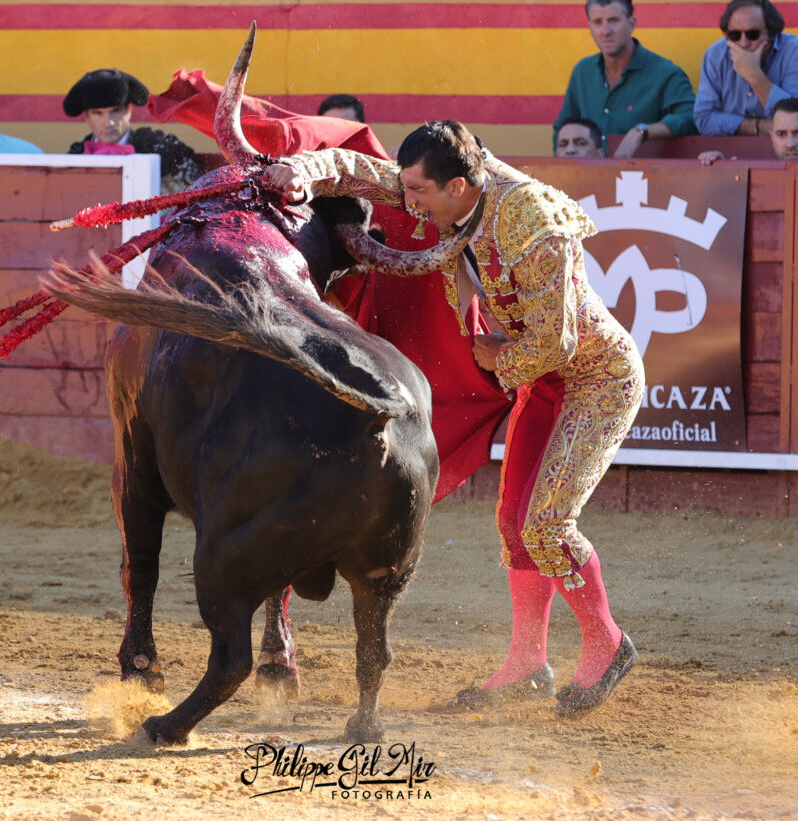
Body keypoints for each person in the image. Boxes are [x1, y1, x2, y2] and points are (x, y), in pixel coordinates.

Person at [263, 121, 643, 715]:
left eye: (418, 194)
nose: (408, 204)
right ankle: (527, 662)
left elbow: (561, 341)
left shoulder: (533, 221)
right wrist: (302, 171)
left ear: (460, 187)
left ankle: (606, 642)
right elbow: (368, 174)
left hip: (595, 382)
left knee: (545, 524)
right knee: (515, 524)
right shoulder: (454, 187)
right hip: (542, 385)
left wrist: (497, 358)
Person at [554, 0, 697, 159]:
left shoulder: (666, 74)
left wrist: (641, 132)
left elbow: (690, 118)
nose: (605, 31)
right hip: (588, 177)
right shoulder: (582, 71)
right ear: (590, 27)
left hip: (643, 179)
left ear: (631, 24)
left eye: (613, 21)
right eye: (597, 22)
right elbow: (562, 127)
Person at [64, 68, 201, 193]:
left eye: (116, 111)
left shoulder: (161, 149)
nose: (108, 122)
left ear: (129, 109)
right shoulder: (75, 157)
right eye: (98, 113)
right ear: (87, 116)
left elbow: (192, 199)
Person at [694, 0, 798, 135]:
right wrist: (758, 126)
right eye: (734, 35)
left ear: (772, 34)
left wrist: (754, 76)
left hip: (789, 152)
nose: (743, 43)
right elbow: (703, 119)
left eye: (752, 34)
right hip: (731, 152)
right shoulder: (716, 54)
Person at [698, 95, 798, 163]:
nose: (790, 144)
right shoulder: (755, 176)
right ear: (772, 138)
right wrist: (720, 168)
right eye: (781, 134)